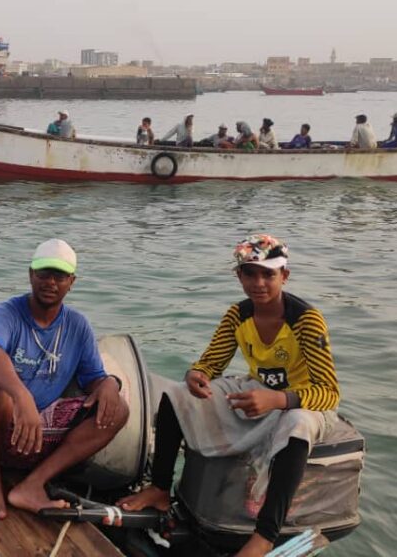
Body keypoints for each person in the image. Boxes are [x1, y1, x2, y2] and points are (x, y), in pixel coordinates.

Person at [117, 234, 340, 557]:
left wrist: (278, 400)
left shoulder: (306, 320)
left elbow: (329, 392)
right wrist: (196, 376)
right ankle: (161, 488)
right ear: (239, 276)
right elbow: (210, 363)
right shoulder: (238, 315)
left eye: (268, 274)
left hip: (302, 403)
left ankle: (264, 536)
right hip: (260, 394)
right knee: (177, 396)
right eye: (250, 273)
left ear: (284, 276)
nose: (258, 283)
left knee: (297, 424)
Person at [0, 239, 128, 520]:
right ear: (30, 275)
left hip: (39, 430)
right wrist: (20, 395)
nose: (50, 282)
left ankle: (32, 484)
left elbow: (93, 379)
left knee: (119, 410)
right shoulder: (7, 313)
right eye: (43, 274)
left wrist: (110, 383)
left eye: (59, 276)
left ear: (71, 281)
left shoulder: (77, 325)